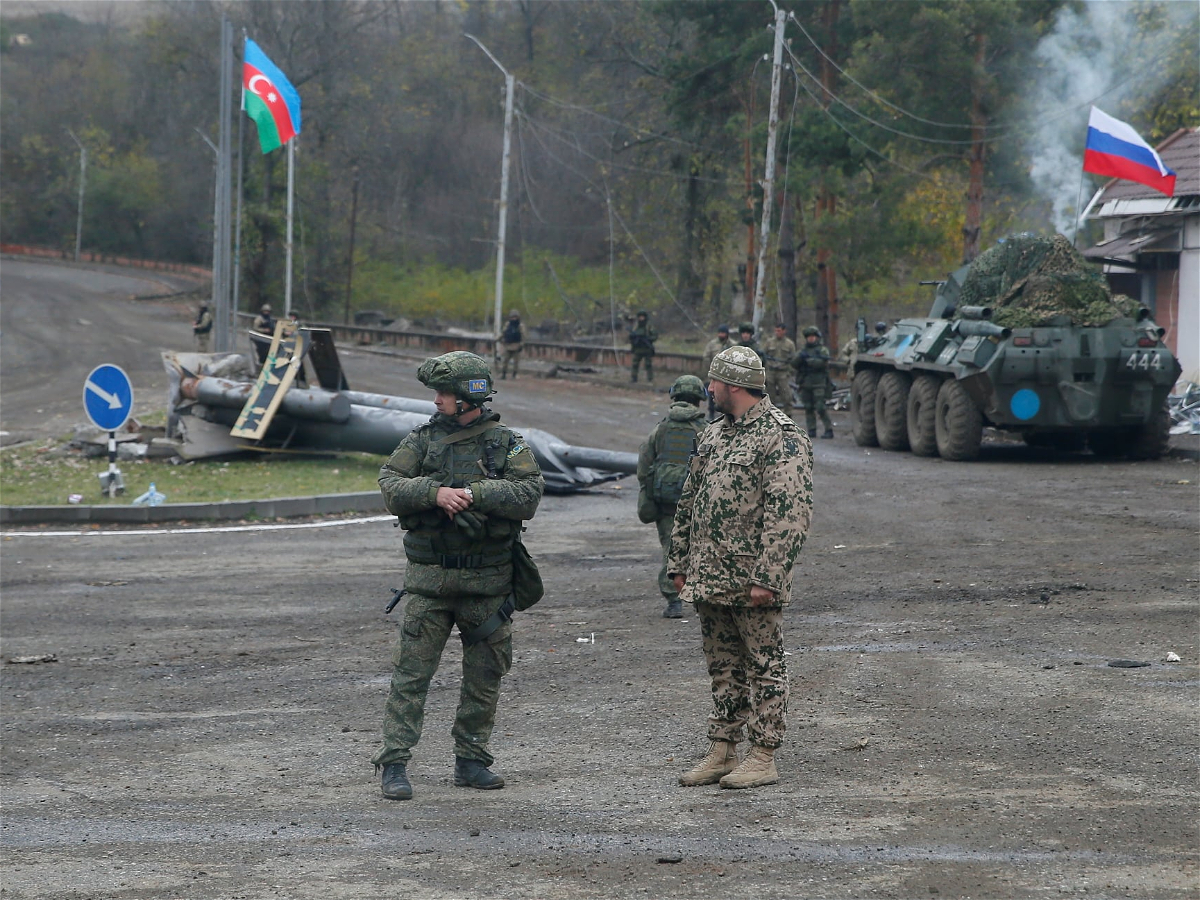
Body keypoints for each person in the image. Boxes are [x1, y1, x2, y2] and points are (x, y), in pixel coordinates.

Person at [371, 351, 545, 801]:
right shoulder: (422, 440)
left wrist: (474, 493)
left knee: (485, 677)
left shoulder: (506, 442)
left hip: (488, 587)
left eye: (444, 393)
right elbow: (390, 483)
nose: (436, 401)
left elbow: (529, 493)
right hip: (430, 583)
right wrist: (435, 492)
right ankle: (394, 763)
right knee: (411, 676)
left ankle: (472, 760)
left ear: (470, 396)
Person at [667, 346, 813, 790]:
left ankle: (763, 754)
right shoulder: (713, 435)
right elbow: (689, 500)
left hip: (752, 579)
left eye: (713, 382)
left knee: (764, 664)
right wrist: (679, 560)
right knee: (723, 664)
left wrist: (768, 577)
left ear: (732, 385)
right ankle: (722, 749)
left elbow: (789, 514)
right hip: (709, 575)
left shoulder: (781, 436)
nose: (707, 389)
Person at [637, 375, 707, 619]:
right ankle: (705, 598)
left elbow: (644, 463)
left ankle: (673, 601)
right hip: (696, 502)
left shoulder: (661, 428)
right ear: (699, 400)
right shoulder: (705, 429)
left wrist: (650, 491)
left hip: (666, 501)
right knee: (702, 548)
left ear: (674, 396)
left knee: (671, 548)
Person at [793, 327, 834, 439]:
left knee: (820, 407)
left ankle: (828, 429)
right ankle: (811, 429)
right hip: (806, 383)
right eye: (809, 337)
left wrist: (810, 361)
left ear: (816, 337)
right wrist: (800, 358)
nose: (811, 339)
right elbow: (793, 364)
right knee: (808, 407)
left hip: (819, 383)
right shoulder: (803, 351)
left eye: (813, 337)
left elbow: (823, 363)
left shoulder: (822, 350)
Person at [759, 323, 796, 417]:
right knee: (770, 395)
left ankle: (788, 414)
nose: (777, 333)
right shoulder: (769, 342)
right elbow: (763, 355)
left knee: (786, 395)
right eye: (776, 330)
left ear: (784, 331)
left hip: (783, 372)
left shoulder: (789, 344)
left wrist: (790, 371)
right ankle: (770, 414)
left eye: (779, 331)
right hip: (770, 371)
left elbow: (793, 359)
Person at [702, 325, 734, 419]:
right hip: (715, 374)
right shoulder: (712, 344)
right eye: (719, 333)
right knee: (713, 393)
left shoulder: (732, 344)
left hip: (728, 374)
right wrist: (711, 368)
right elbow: (706, 356)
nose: (721, 335)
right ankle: (711, 412)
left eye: (723, 333)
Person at [628, 310, 658, 383]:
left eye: (642, 317)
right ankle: (634, 378)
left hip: (646, 348)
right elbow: (631, 336)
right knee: (635, 364)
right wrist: (633, 338)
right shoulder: (635, 326)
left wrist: (648, 339)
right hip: (638, 348)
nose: (641, 318)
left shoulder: (649, 326)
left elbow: (655, 336)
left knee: (648, 364)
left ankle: (650, 379)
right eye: (640, 317)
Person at [499, 311, 523, 380]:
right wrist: (498, 339)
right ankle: (504, 374)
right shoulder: (508, 324)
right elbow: (503, 332)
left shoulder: (520, 325)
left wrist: (521, 344)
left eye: (515, 317)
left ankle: (514, 374)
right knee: (505, 361)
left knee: (516, 362)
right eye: (513, 317)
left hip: (516, 345)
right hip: (508, 345)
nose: (514, 319)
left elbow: (523, 335)